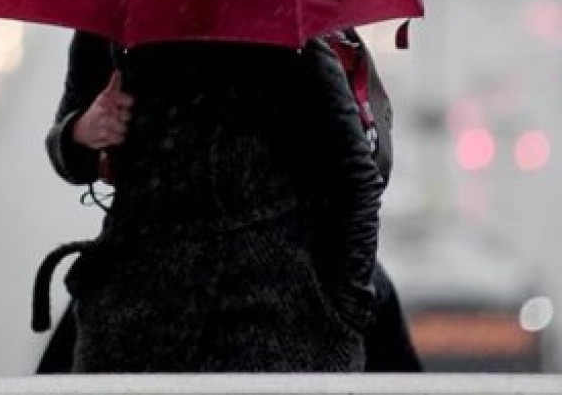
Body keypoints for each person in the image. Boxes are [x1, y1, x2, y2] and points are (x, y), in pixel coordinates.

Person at [33, 29, 417, 372]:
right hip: (134, 314)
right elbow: (67, 145)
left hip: (269, 320)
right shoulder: (112, 20)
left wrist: (344, 315)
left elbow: (355, 175)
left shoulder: (288, 28)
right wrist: (82, 131)